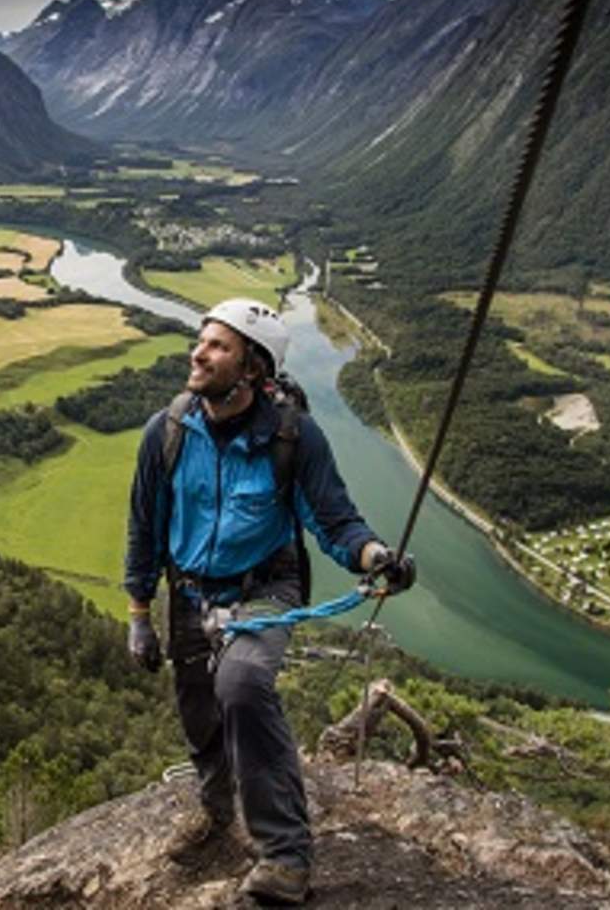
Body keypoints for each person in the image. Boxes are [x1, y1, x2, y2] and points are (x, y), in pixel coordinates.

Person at [124, 297, 414, 905]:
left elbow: (335, 522)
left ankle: (285, 852)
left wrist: (377, 558)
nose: (198, 353)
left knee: (243, 686)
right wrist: (138, 615)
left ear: (253, 367)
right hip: (189, 593)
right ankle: (215, 807)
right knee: (200, 711)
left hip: (264, 589)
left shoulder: (292, 437)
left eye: (218, 346)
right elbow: (144, 526)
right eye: (200, 341)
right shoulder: (170, 430)